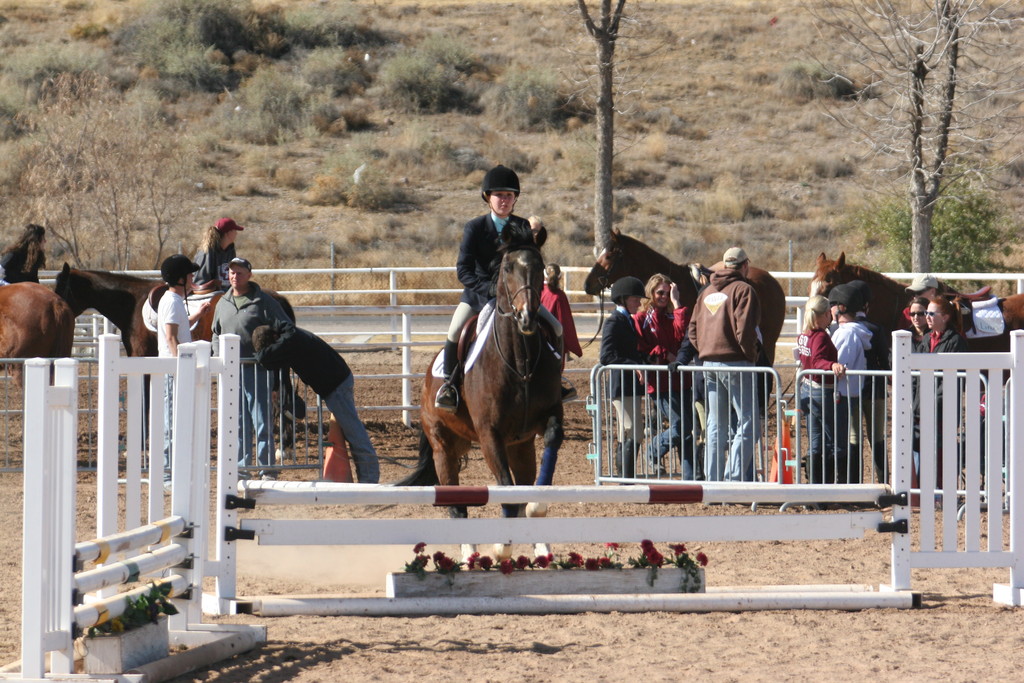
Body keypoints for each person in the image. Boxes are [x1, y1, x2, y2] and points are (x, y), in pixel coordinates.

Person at [434, 165, 565, 412]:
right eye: (499, 195)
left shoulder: (523, 227)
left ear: (515, 198)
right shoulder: (475, 228)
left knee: (556, 328)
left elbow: (531, 264)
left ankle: (557, 381)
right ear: (488, 198)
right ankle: (450, 386)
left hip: (518, 298)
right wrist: (490, 289)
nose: (504, 200)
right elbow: (464, 270)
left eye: (509, 195)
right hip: (478, 297)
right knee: (454, 334)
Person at [252, 319, 380, 483]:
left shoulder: (289, 341)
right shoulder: (290, 336)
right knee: (352, 431)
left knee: (354, 432)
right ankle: (368, 478)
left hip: (335, 385)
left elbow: (264, 358)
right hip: (337, 382)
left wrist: (261, 353)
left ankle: (370, 480)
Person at [211, 257, 291, 478]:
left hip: (257, 369)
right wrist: (219, 359)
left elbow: (286, 327)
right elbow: (215, 334)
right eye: (232, 272)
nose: (235, 276)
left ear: (249, 275)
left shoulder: (263, 301)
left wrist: (270, 354)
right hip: (231, 371)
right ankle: (242, 467)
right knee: (238, 421)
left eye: (240, 272)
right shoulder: (222, 303)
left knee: (261, 420)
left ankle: (267, 469)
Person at [687, 247, 761, 482]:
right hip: (736, 362)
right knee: (749, 421)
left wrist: (706, 350)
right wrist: (751, 354)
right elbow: (744, 331)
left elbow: (692, 330)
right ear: (745, 265)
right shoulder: (744, 290)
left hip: (708, 363)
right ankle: (734, 478)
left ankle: (713, 480)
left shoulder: (706, 291)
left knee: (714, 424)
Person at [156, 254, 211, 489]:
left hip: (175, 368)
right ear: (180, 278)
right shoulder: (171, 301)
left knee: (176, 419)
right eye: (189, 274)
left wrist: (198, 314)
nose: (192, 277)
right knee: (170, 421)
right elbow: (170, 336)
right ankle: (167, 474)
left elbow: (179, 326)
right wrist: (181, 367)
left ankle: (173, 471)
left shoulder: (175, 301)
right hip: (173, 369)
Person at [634, 273, 693, 478]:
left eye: (668, 293)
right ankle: (652, 451)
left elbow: (683, 335)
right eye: (660, 292)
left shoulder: (670, 316)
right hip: (659, 382)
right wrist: (665, 353)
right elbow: (641, 347)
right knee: (682, 426)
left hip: (681, 379)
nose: (664, 297)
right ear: (651, 292)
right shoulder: (642, 318)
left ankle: (690, 473)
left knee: (687, 426)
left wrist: (677, 303)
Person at [913, 296, 969, 490]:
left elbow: (950, 380)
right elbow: (916, 376)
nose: (926, 317)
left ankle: (941, 490)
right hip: (922, 406)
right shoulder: (926, 339)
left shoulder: (956, 342)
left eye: (930, 313)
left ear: (945, 317)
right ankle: (924, 489)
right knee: (922, 448)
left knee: (940, 451)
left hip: (942, 409)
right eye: (926, 313)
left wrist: (931, 403)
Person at [599, 276, 647, 479]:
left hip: (630, 385)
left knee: (626, 430)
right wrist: (634, 365)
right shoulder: (614, 322)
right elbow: (607, 356)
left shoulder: (626, 320)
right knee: (633, 429)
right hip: (622, 384)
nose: (639, 302)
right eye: (635, 299)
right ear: (624, 299)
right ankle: (626, 477)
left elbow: (629, 351)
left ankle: (623, 475)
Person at [795, 295, 846, 485]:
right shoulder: (821, 336)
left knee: (815, 440)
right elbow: (817, 361)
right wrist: (832, 364)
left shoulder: (804, 335)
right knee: (831, 439)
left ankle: (814, 487)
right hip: (823, 389)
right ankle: (828, 486)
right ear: (825, 314)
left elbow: (808, 359)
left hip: (807, 387)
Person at [845, 279, 890, 484]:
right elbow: (885, 359)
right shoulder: (876, 328)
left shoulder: (841, 328)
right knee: (877, 438)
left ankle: (854, 484)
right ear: (866, 305)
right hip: (875, 389)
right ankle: (884, 482)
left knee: (854, 438)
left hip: (851, 389)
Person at [829, 283, 873, 484]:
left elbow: (839, 363)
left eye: (832, 305)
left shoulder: (846, 333)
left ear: (841, 308)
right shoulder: (852, 331)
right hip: (848, 392)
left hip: (841, 393)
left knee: (838, 439)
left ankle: (842, 482)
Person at [540, 262, 582, 401]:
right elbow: (565, 324)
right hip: (553, 345)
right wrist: (574, 347)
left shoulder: (537, 292)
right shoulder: (560, 296)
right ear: (560, 277)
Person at [193, 218, 245, 292]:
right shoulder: (206, 253)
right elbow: (200, 283)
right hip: (209, 295)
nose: (236, 233)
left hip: (225, 294)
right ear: (228, 233)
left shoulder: (230, 250)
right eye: (235, 230)